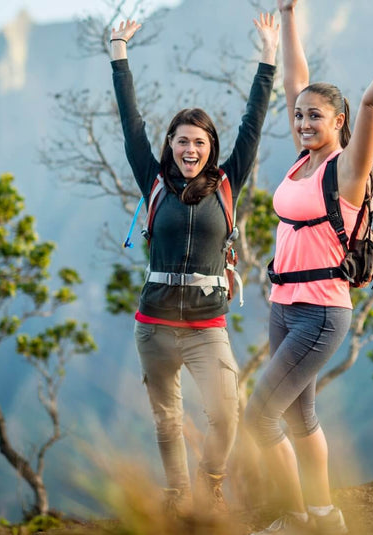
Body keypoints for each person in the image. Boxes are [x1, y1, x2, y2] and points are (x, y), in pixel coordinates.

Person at [245, 2, 373, 533]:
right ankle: (327, 517)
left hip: (321, 313)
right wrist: (288, 14)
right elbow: (297, 79)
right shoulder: (300, 160)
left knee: (258, 416)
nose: (305, 121)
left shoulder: (346, 169)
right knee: (298, 416)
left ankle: (295, 518)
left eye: (317, 116)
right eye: (300, 114)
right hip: (283, 306)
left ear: (340, 123)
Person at [109, 14, 279, 514]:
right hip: (155, 323)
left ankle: (211, 482)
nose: (189, 149)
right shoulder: (154, 180)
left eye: (199, 143)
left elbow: (255, 118)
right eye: (181, 141)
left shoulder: (228, 183)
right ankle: (177, 494)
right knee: (167, 419)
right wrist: (119, 52)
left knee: (225, 414)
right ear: (170, 146)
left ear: (211, 150)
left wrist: (268, 54)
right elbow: (130, 120)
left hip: (207, 324)